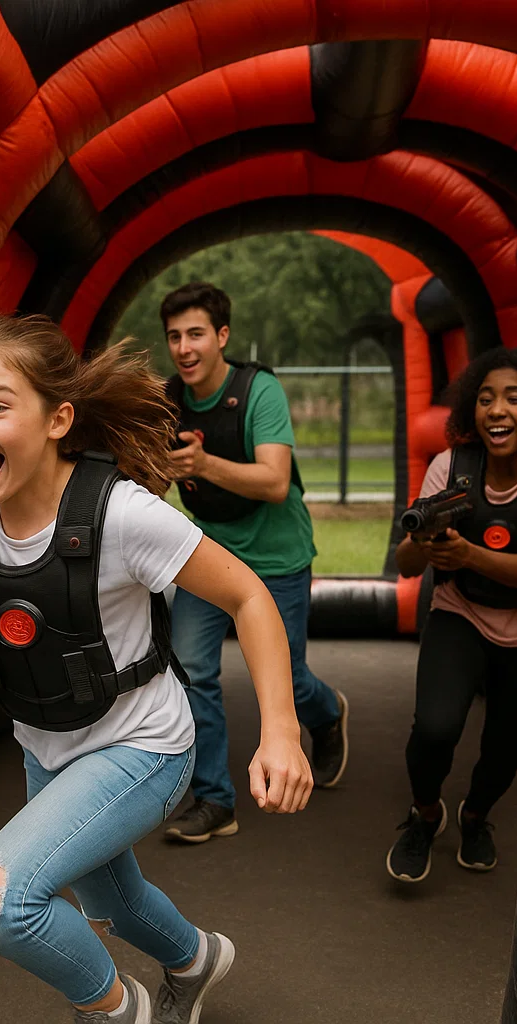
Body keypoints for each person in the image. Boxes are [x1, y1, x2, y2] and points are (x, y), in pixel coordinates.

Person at [0, 314, 313, 1023]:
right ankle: (197, 961)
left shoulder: (123, 514)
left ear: (58, 419)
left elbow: (249, 597)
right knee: (114, 904)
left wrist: (281, 733)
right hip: (48, 742)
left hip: (144, 743)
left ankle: (118, 1010)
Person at [159, 282, 349, 845]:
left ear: (222, 336)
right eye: (174, 336)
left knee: (287, 677)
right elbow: (151, 478)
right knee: (192, 669)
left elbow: (274, 481)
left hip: (275, 554)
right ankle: (215, 800)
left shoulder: (258, 389)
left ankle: (327, 712)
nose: (185, 348)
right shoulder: (166, 399)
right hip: (212, 552)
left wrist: (203, 464)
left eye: (196, 334)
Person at [386, 346, 517, 883]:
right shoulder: (450, 466)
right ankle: (426, 815)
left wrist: (468, 554)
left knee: (506, 746)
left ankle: (475, 816)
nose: (496, 410)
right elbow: (406, 565)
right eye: (485, 398)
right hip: (460, 612)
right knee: (434, 729)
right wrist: (425, 541)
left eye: (514, 398)